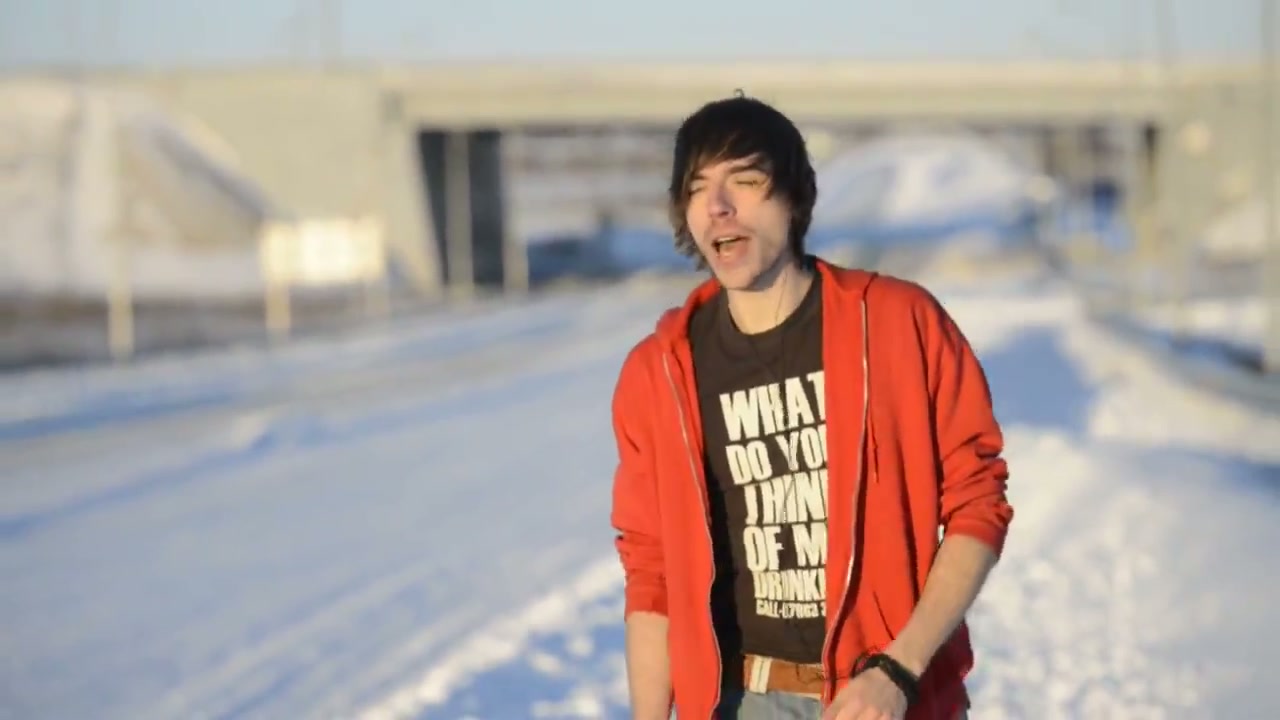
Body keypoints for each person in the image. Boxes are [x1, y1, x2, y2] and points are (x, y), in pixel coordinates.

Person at [608, 93, 1014, 720]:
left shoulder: (899, 323)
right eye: (697, 189)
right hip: (735, 701)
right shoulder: (657, 373)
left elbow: (977, 503)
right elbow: (651, 571)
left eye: (745, 181)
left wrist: (899, 669)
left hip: (882, 697)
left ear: (795, 197)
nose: (718, 206)